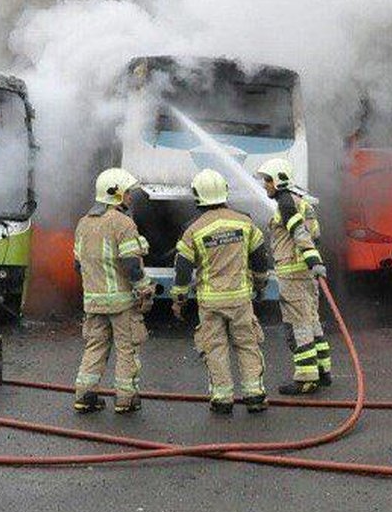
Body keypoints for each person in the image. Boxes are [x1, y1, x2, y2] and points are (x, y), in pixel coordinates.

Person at [172, 168, 271, 415]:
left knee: (215, 348)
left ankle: (222, 398)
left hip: (211, 302)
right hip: (240, 299)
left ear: (198, 196)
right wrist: (260, 284)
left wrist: (179, 299)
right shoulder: (244, 222)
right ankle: (255, 395)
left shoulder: (193, 230)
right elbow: (260, 257)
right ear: (225, 191)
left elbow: (182, 268)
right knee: (248, 345)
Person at [72, 168, 154, 415]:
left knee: (95, 347)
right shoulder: (123, 223)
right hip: (121, 303)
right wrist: (144, 288)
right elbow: (131, 265)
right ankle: (126, 399)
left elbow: (78, 264)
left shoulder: (83, 224)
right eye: (127, 192)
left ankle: (85, 396)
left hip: (94, 302)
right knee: (126, 348)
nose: (130, 196)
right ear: (115, 193)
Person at [256, 158, 330, 395]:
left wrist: (313, 260)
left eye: (268, 180)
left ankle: (306, 378)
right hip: (306, 275)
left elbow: (299, 233)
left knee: (297, 327)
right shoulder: (303, 203)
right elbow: (315, 235)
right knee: (312, 321)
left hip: (293, 275)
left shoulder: (286, 203)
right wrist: (313, 262)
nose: (265, 185)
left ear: (279, 180)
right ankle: (323, 370)